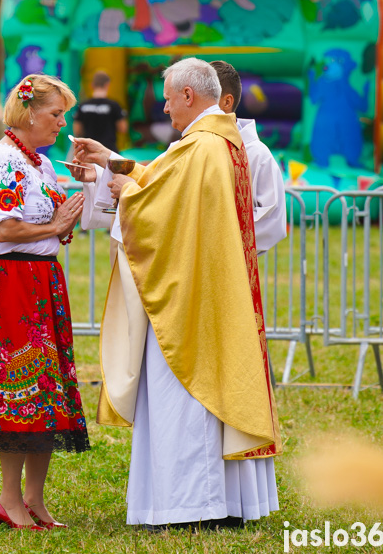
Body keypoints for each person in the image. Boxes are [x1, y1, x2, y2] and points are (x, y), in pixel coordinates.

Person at [72, 58, 281, 530]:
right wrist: (112, 163)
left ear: (189, 95)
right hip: (209, 284)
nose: (164, 107)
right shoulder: (216, 142)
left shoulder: (203, 146)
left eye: (168, 97)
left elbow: (157, 204)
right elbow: (165, 185)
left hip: (190, 297)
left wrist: (125, 194)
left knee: (184, 395)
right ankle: (224, 503)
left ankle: (190, 507)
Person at [0, 74, 90, 531]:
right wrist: (54, 226)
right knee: (18, 391)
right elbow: (5, 229)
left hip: (39, 279)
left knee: (45, 391)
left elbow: (47, 220)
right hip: (8, 281)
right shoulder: (3, 162)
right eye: (56, 114)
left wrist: (64, 217)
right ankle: (9, 498)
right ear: (28, 113)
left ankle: (34, 499)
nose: (62, 123)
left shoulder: (36, 163)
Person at [211, 60, 286, 254]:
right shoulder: (188, 146)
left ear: (226, 102)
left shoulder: (257, 155)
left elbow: (272, 220)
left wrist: (218, 243)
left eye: (207, 100)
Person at [72, 70, 128, 153]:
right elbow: (122, 129)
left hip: (89, 151)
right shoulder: (114, 105)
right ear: (107, 85)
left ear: (92, 85)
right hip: (108, 151)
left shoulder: (83, 106)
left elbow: (77, 131)